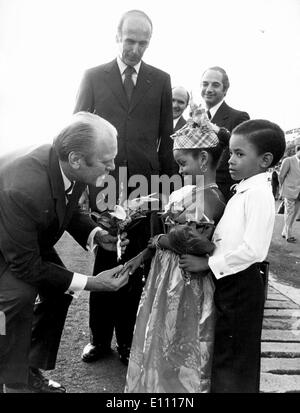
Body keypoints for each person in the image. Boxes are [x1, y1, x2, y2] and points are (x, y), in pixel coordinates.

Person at [0, 112, 130, 393]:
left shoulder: (72, 163)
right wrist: (93, 283)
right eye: (106, 162)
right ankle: (12, 382)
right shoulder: (24, 188)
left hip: (22, 236)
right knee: (15, 299)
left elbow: (66, 206)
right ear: (76, 159)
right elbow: (26, 266)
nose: (112, 167)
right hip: (8, 243)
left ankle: (27, 372)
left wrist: (96, 234)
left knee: (59, 291)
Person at [74, 9, 175, 365]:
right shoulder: (93, 76)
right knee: (104, 258)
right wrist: (80, 188)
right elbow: (78, 128)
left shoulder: (160, 80)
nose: (135, 49)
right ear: (117, 37)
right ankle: (99, 339)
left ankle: (128, 341)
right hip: (105, 181)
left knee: (135, 264)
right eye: (130, 41)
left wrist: (168, 190)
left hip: (145, 186)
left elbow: (166, 140)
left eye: (143, 43)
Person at [123, 109, 226, 392]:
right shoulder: (189, 192)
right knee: (160, 336)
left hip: (184, 282)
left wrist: (158, 240)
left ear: (203, 159)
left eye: (182, 163)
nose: (179, 169)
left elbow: (191, 239)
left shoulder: (211, 197)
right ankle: (156, 387)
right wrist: (144, 253)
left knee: (179, 340)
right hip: (166, 278)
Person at [181, 119, 286, 393]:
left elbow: (254, 250)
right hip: (233, 280)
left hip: (243, 283)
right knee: (227, 348)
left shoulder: (259, 194)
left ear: (265, 160)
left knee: (234, 355)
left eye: (240, 154)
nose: (230, 160)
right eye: (231, 152)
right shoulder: (246, 187)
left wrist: (208, 263)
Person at [201, 66, 250, 202]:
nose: (209, 89)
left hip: (222, 192)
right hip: (197, 189)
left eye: (215, 85)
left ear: (225, 90)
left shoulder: (239, 117)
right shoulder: (194, 119)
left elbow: (241, 151)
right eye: (205, 84)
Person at [279, 141, 300, 243]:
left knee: (294, 213)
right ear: (298, 150)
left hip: (299, 193)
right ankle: (288, 234)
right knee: (289, 212)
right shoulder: (288, 160)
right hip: (289, 190)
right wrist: (281, 189)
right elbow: (281, 176)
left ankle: (285, 231)